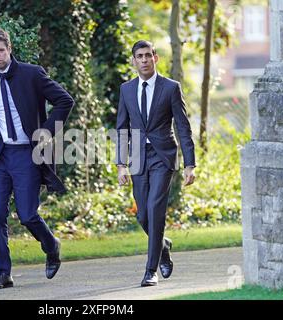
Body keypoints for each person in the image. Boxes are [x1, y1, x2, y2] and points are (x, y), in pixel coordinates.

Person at [0, 27, 74, 289]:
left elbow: (65, 101)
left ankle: (51, 245)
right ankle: (3, 272)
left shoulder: (31, 74)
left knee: (27, 215)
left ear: (9, 48)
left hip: (27, 152)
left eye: (0, 51)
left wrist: (46, 133)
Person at [116, 40, 196, 287]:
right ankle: (163, 245)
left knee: (155, 209)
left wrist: (190, 164)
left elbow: (183, 126)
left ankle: (151, 270)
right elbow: (122, 129)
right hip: (138, 158)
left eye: (148, 56)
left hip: (163, 157)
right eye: (139, 56)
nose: (143, 60)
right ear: (133, 60)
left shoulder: (170, 88)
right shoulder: (126, 89)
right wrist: (121, 164)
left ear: (155, 58)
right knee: (142, 215)